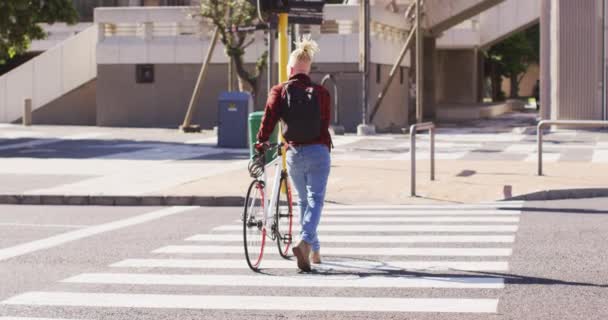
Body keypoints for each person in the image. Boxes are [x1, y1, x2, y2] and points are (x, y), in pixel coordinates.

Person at [255, 36, 331, 272]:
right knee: (315, 200)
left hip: (294, 153)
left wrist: (260, 142)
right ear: (308, 69)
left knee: (302, 200)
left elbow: (268, 119)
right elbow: (324, 123)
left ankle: (314, 250)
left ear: (290, 68)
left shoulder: (280, 90)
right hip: (319, 151)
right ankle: (306, 242)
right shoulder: (321, 92)